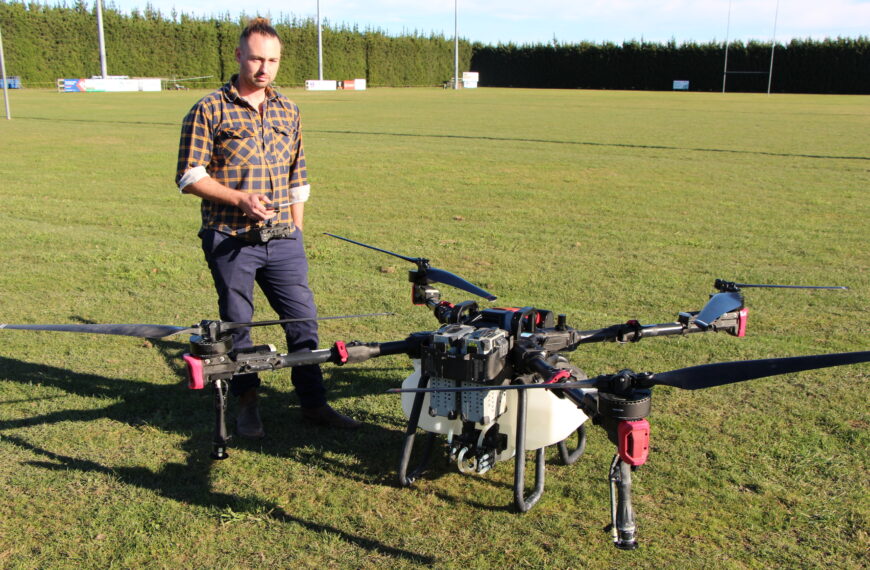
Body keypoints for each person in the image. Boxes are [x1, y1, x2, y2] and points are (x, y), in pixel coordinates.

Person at [175, 17, 361, 437]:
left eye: (273, 60)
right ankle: (248, 403)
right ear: (239, 55)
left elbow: (299, 176)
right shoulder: (208, 109)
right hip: (230, 239)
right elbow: (189, 176)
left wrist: (296, 230)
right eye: (257, 58)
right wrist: (239, 199)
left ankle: (313, 403)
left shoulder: (288, 110)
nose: (264, 68)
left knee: (303, 322)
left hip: (283, 240)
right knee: (239, 324)